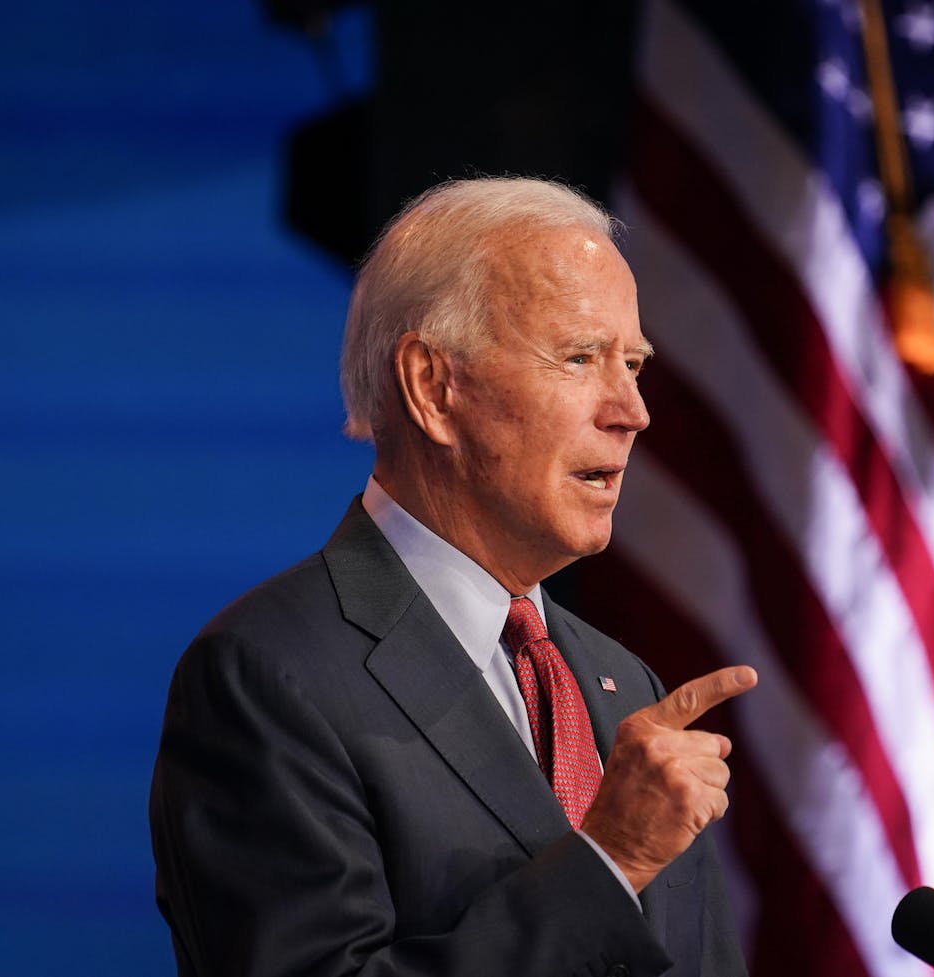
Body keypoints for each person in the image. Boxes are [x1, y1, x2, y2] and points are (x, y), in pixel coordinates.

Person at [149, 176, 758, 977]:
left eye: (634, 364)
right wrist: (609, 862)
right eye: (580, 357)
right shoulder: (266, 675)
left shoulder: (624, 686)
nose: (632, 410)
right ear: (434, 389)